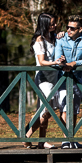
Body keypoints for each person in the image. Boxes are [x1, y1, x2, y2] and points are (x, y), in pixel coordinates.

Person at [23, 13, 63, 150]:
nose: (55, 25)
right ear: (44, 24)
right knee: (45, 109)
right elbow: (41, 61)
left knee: (47, 110)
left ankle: (40, 140)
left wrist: (61, 35)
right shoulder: (39, 40)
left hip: (54, 77)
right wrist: (56, 62)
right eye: (52, 24)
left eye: (55, 23)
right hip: (44, 78)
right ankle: (28, 135)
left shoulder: (53, 37)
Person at [52, 15, 82, 149]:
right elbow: (57, 57)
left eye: (72, 28)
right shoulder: (61, 38)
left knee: (74, 109)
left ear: (80, 29)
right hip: (62, 78)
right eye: (67, 27)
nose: (68, 30)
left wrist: (74, 63)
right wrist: (61, 61)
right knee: (65, 107)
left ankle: (72, 138)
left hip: (77, 78)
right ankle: (65, 139)